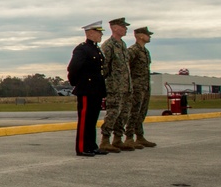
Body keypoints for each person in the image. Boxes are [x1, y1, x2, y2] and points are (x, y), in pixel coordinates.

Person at [67, 21, 108, 157]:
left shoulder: (96, 49)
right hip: (86, 89)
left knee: (92, 119)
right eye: (98, 32)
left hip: (96, 89)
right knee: (85, 120)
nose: (101, 34)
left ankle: (91, 145)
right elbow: (73, 68)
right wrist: (76, 83)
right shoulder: (82, 49)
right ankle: (82, 147)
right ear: (90, 33)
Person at [99, 17, 133, 153]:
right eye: (123, 26)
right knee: (113, 112)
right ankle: (105, 140)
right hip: (114, 87)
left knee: (124, 113)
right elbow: (104, 68)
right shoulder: (108, 46)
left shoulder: (123, 45)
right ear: (114, 28)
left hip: (126, 86)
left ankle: (118, 139)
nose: (126, 29)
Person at [124, 26, 157, 149]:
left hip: (145, 86)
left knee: (142, 112)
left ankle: (140, 136)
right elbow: (126, 67)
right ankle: (129, 137)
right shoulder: (133, 50)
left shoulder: (145, 51)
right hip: (136, 86)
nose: (150, 37)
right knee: (134, 112)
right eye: (148, 34)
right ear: (140, 36)